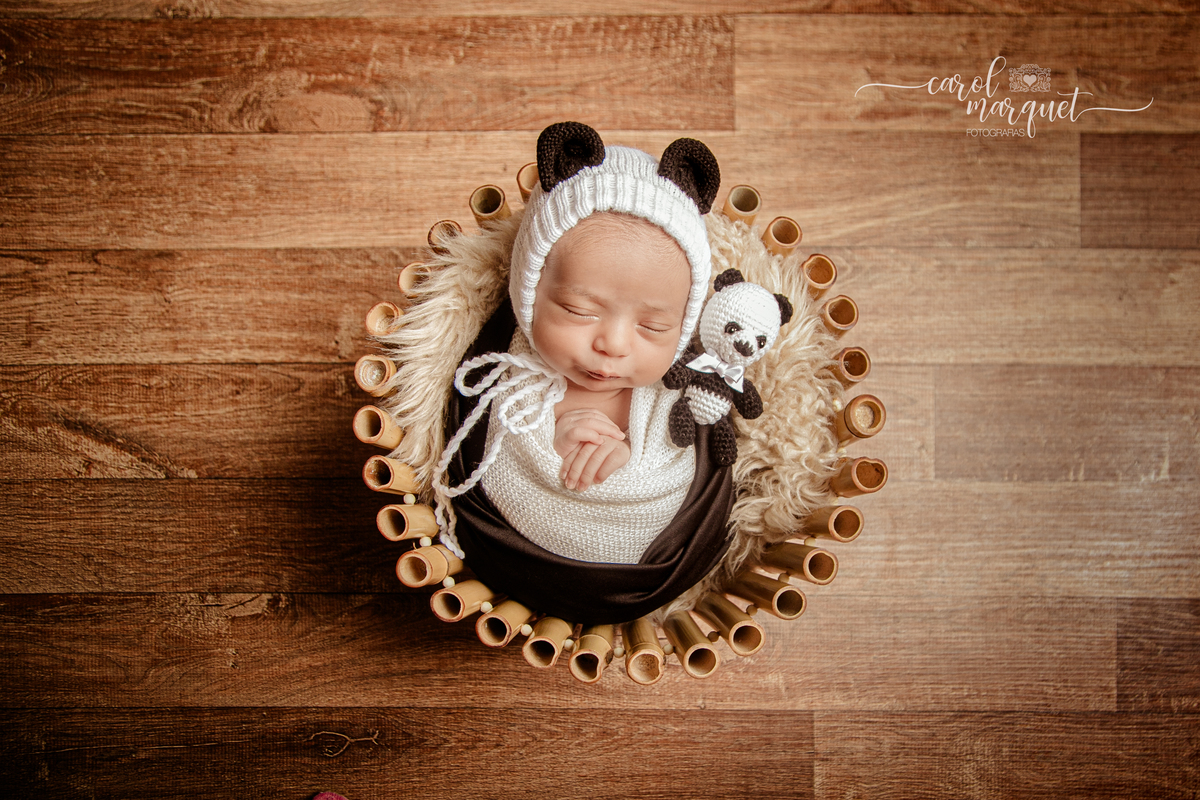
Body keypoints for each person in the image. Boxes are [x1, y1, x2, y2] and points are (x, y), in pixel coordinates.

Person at [432, 122, 734, 624]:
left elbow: (692, 466)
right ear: (528, 290)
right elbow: (485, 442)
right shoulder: (505, 371)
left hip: (654, 557)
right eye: (579, 310)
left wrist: (630, 459)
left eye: (653, 326)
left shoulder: (679, 391)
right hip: (525, 557)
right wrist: (551, 435)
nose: (613, 344)